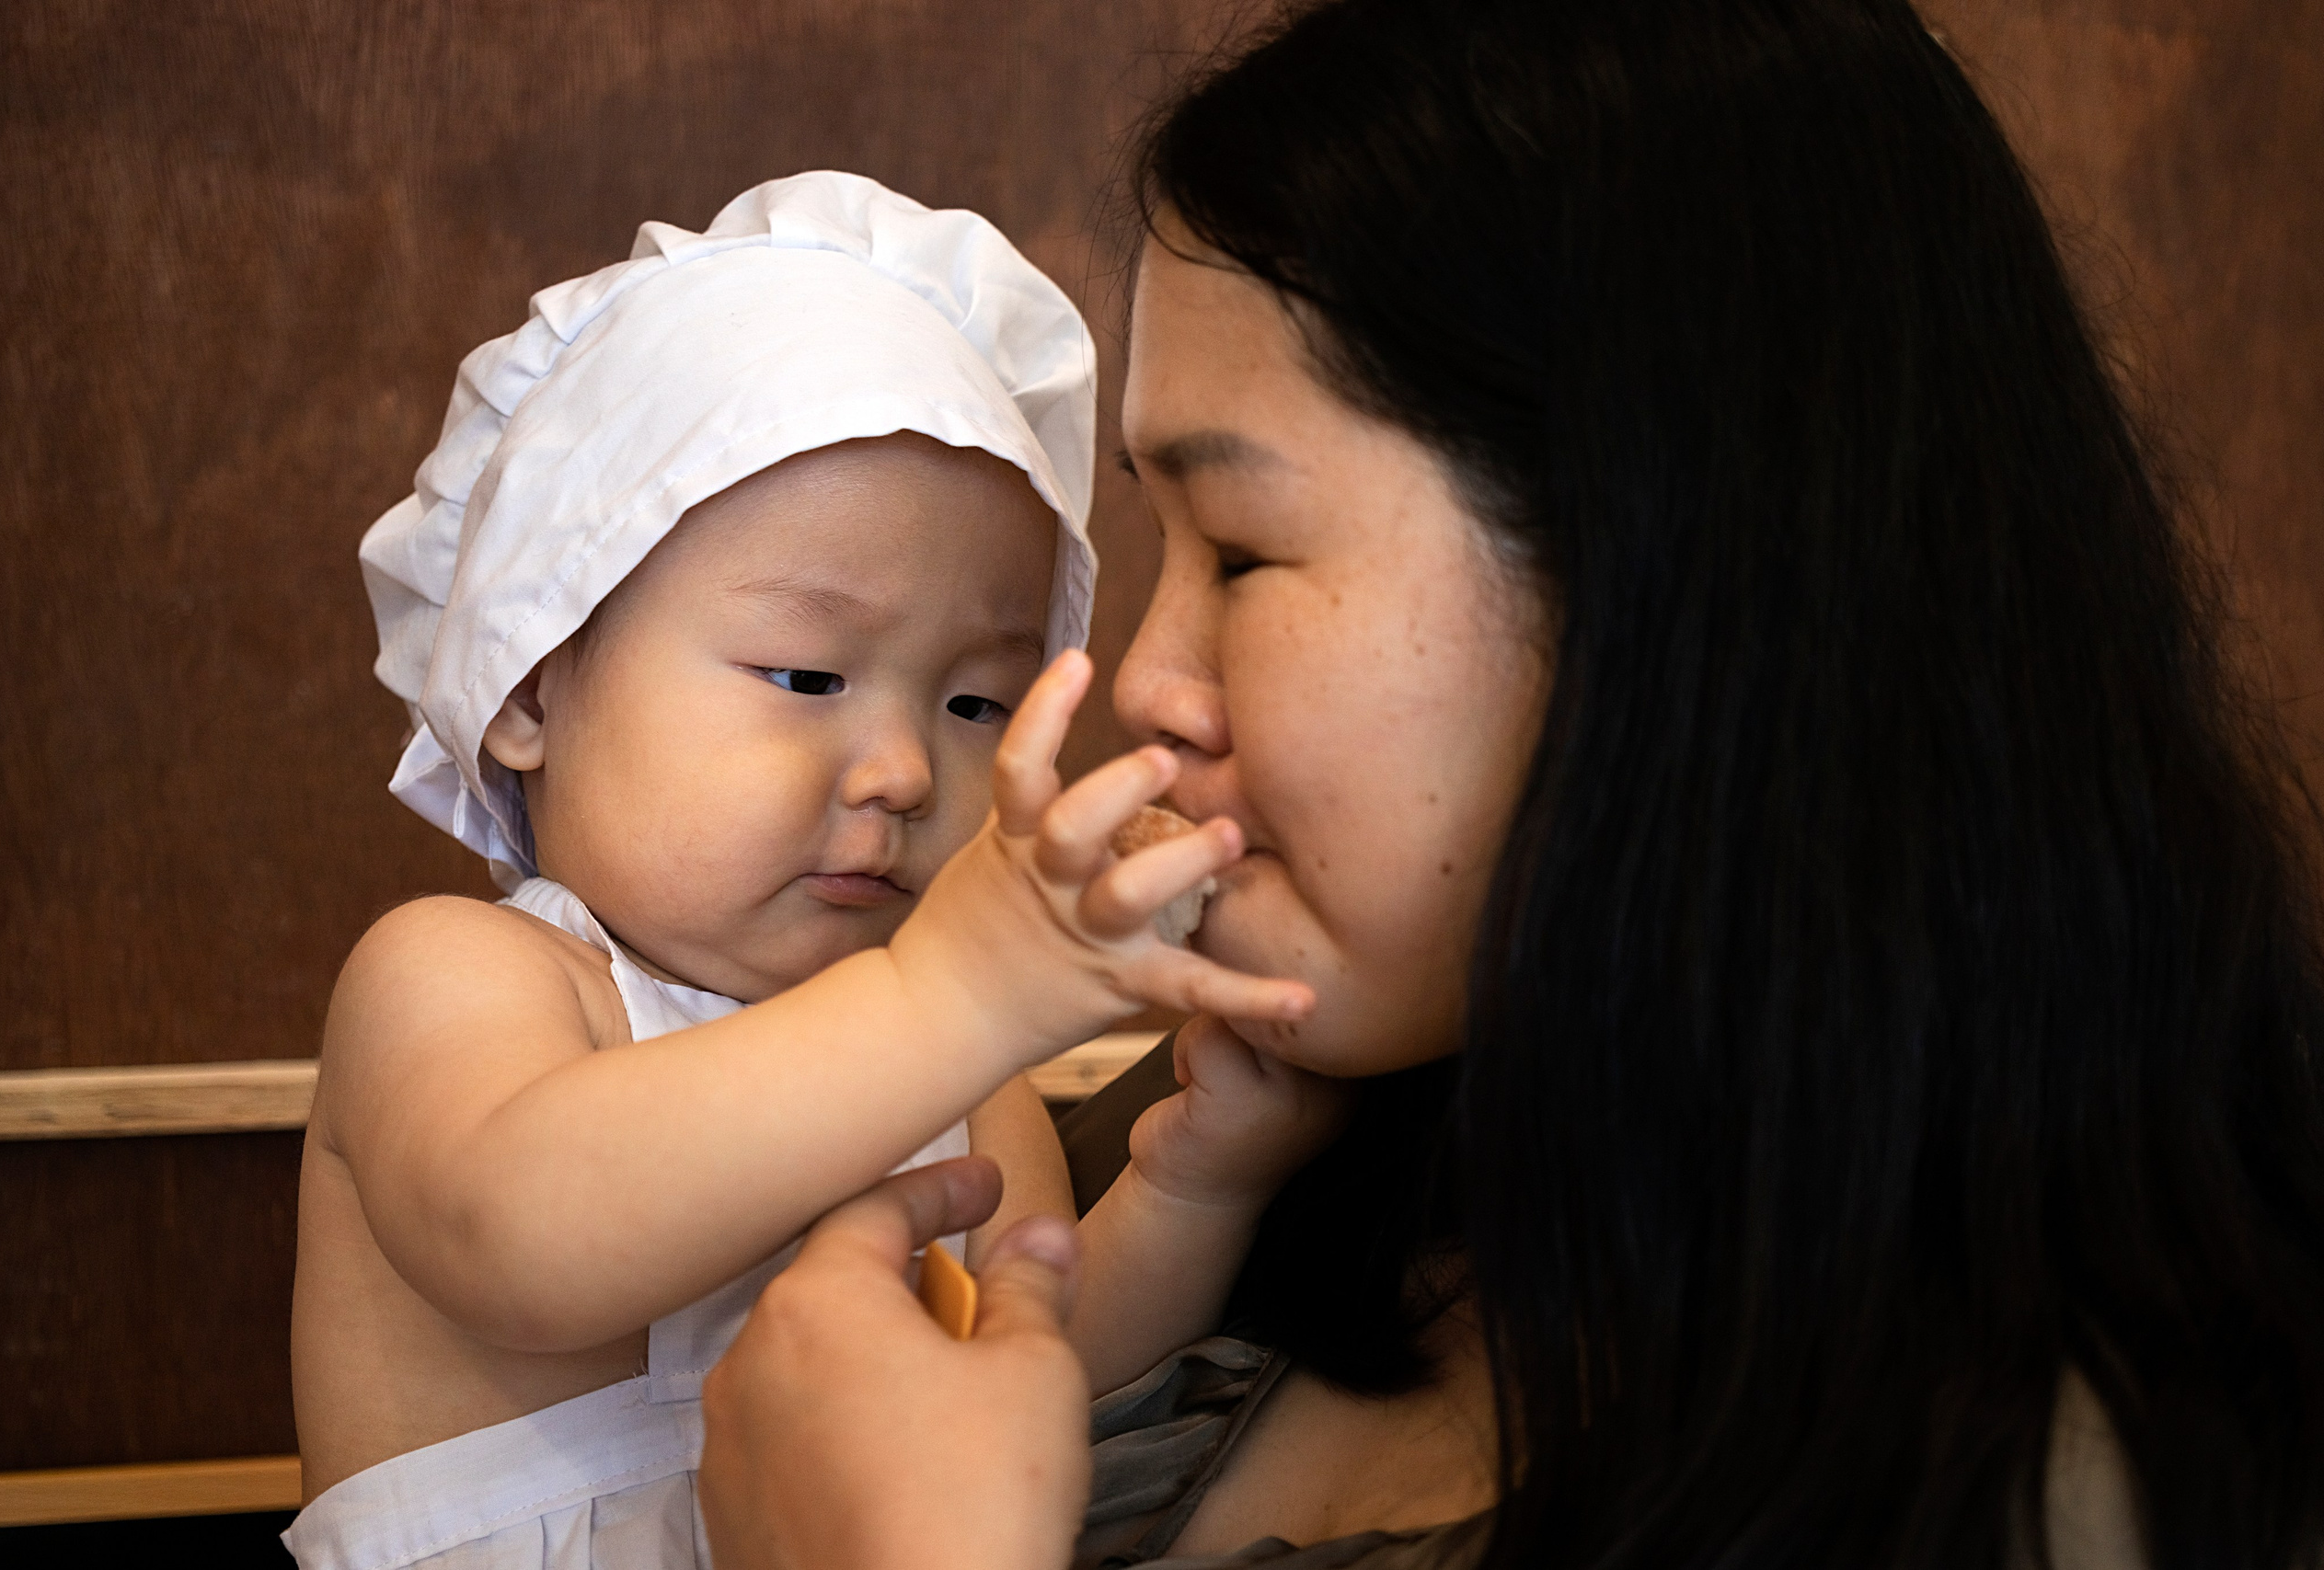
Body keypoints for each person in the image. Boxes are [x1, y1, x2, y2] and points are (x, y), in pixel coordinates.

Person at [696, 3, 2324, 1567]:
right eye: (1158, 543)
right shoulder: (1228, 1134)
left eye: (1247, 551)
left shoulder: (2068, 1482)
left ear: (1666, 584)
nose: (1148, 682)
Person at [286, 170, 1336, 1570]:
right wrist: (955, 999)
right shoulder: (467, 976)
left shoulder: (960, 1074)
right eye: (807, 672)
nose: (902, 767)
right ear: (529, 689)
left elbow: (1041, 1386)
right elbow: (512, 1232)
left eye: (976, 703)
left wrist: (1199, 1184)